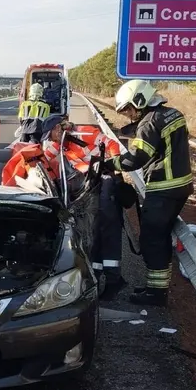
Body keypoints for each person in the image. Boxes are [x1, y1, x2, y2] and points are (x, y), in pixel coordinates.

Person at [104, 79, 193, 307]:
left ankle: (156, 294)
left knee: (152, 239)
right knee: (160, 237)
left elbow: (136, 158)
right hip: (180, 185)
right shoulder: (174, 114)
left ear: (140, 101)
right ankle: (156, 287)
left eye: (129, 109)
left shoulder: (149, 123)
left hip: (165, 188)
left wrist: (110, 164)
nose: (129, 115)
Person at [39, 114, 129, 298]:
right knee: (93, 232)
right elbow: (45, 159)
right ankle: (95, 276)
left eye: (51, 135)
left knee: (108, 230)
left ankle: (114, 280)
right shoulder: (62, 144)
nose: (50, 139)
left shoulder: (84, 133)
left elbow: (112, 145)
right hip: (90, 189)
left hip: (105, 183)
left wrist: (110, 168)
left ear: (58, 128)